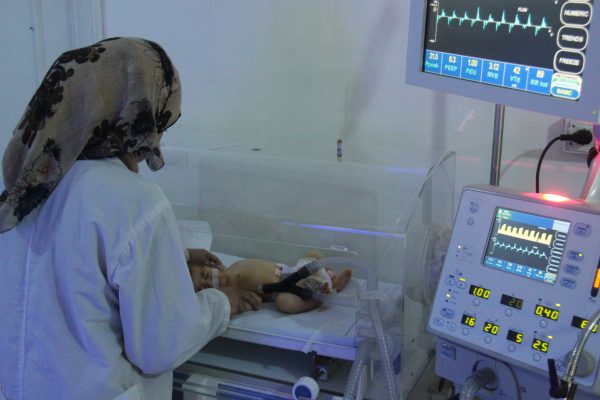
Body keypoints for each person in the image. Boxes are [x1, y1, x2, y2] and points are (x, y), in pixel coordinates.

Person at [0, 37, 261, 400]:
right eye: (160, 122)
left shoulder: (26, 183)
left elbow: (70, 263)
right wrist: (222, 304)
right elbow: (162, 345)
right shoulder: (134, 201)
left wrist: (179, 255)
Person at [188, 251, 353, 314]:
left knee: (313, 254)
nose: (208, 281)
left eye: (205, 274)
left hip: (292, 270)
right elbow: (255, 301)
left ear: (213, 264)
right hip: (290, 289)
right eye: (205, 286)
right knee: (284, 303)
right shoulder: (234, 292)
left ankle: (329, 274)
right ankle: (317, 299)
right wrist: (247, 302)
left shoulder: (232, 266)